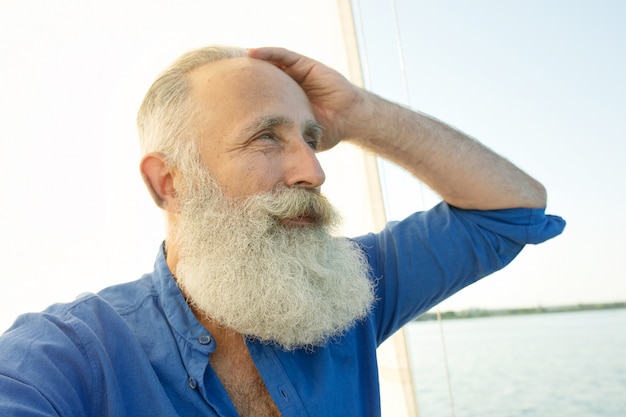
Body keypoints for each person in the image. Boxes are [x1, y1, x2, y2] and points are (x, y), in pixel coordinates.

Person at [0, 45, 564, 416]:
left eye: (312, 139)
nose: (313, 172)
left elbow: (511, 208)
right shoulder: (66, 357)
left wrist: (363, 114)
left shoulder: (348, 291)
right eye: (266, 138)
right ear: (170, 182)